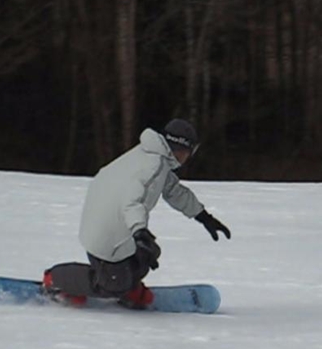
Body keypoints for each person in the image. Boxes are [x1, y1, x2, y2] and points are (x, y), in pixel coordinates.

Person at [43, 118, 231, 308]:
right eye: (190, 151)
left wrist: (203, 217)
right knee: (113, 284)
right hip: (105, 232)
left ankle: (129, 288)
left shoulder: (153, 156)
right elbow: (132, 203)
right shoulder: (153, 166)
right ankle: (56, 279)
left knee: (147, 253)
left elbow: (173, 190)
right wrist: (139, 231)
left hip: (109, 223)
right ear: (180, 148)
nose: (189, 157)